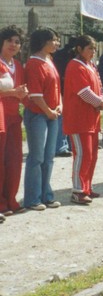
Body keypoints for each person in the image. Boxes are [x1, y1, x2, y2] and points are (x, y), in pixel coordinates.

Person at [62, 35, 103, 204]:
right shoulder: (75, 66)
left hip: (92, 119)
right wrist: (99, 103)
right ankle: (77, 190)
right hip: (78, 119)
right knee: (82, 154)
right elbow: (84, 92)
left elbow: (99, 86)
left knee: (92, 155)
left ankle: (87, 187)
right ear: (79, 49)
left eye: (94, 48)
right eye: (90, 48)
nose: (93, 51)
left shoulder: (91, 66)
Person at [22, 27, 62, 210]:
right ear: (43, 42)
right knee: (36, 157)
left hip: (52, 114)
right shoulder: (33, 63)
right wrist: (48, 111)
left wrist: (59, 104)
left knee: (49, 157)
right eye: (53, 40)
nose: (57, 43)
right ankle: (32, 199)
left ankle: (46, 195)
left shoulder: (49, 60)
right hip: (39, 115)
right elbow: (36, 95)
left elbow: (56, 88)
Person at [0, 26, 28, 218]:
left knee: (14, 160)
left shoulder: (17, 65)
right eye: (10, 40)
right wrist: (13, 93)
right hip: (0, 117)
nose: (13, 44)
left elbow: (22, 91)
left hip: (14, 118)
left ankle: (11, 199)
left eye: (17, 42)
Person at [52, 36, 77, 158]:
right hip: (63, 90)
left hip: (69, 89)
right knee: (63, 118)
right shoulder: (64, 55)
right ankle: (61, 146)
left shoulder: (61, 54)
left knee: (70, 118)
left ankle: (70, 144)